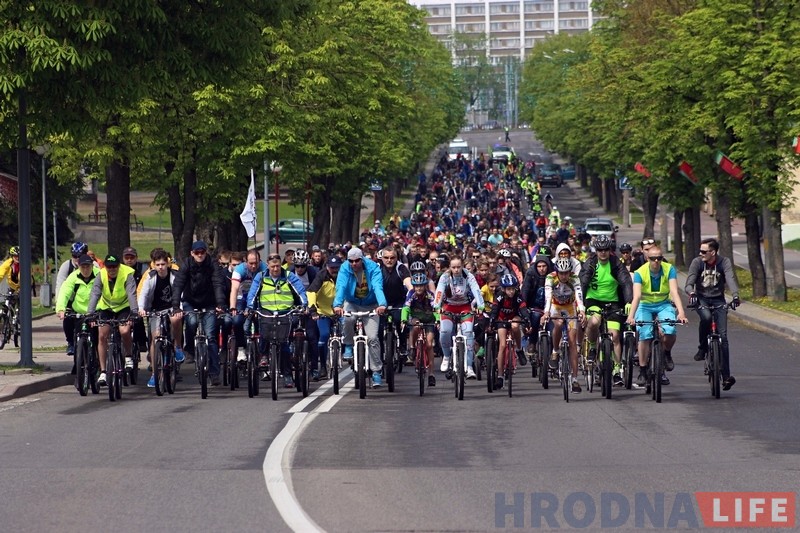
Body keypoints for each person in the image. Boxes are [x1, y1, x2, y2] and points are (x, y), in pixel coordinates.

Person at [626, 245, 688, 388]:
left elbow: (674, 292)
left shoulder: (669, 269)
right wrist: (631, 316)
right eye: (653, 259)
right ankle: (642, 370)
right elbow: (637, 296)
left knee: (670, 330)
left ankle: (666, 353)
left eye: (659, 258)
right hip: (644, 305)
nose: (656, 262)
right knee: (645, 334)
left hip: (663, 304)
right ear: (647, 259)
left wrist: (681, 312)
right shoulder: (640, 272)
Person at [685, 238, 740, 390]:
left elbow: (730, 278)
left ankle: (726, 376)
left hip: (718, 300)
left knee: (723, 336)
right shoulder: (697, 262)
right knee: (707, 318)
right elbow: (689, 282)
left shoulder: (724, 262)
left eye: (703, 251)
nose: (700, 253)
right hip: (701, 299)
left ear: (713, 252)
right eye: (700, 251)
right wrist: (691, 292)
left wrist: (735, 296)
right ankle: (702, 347)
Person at [247, 253, 308, 388]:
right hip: (266, 312)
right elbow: (252, 293)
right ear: (268, 265)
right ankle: (263, 355)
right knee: (263, 333)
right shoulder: (261, 277)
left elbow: (300, 291)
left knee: (284, 343)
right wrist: (250, 307)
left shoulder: (289, 276)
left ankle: (287, 375)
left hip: (285, 312)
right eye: (273, 266)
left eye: (278, 266)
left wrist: (304, 305)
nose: (275, 269)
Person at [579, 235, 633, 387]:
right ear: (596, 251)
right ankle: (592, 347)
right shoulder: (590, 263)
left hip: (612, 302)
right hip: (593, 300)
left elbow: (626, 282)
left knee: (615, 335)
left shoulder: (616, 264)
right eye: (600, 250)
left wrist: (628, 301)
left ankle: (616, 370)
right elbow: (582, 283)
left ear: (610, 250)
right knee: (594, 322)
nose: (603, 253)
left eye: (606, 250)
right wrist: (581, 305)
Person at [171, 241, 227, 387]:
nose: (200, 255)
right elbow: (178, 284)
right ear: (192, 253)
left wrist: (220, 303)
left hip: (209, 302)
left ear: (206, 252)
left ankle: (214, 373)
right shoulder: (186, 265)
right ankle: (189, 349)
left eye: (202, 252)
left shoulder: (213, 265)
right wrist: (176, 306)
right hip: (191, 301)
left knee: (211, 337)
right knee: (191, 323)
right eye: (197, 253)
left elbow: (217, 284)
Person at [332, 248, 387, 388]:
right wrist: (337, 305)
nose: (354, 264)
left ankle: (376, 372)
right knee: (347, 319)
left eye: (357, 261)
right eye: (351, 261)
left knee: (373, 338)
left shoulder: (373, 268)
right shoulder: (344, 268)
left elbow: (377, 286)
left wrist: (382, 304)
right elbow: (341, 286)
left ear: (362, 259)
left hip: (371, 304)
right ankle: (349, 346)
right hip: (352, 302)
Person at [86, 254, 140, 386]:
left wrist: (134, 312)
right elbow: (95, 293)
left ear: (119, 265)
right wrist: (90, 313)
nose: (112, 269)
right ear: (105, 266)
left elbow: (131, 293)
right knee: (102, 335)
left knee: (124, 330)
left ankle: (128, 356)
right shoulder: (101, 275)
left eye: (115, 266)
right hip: (107, 308)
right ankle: (103, 371)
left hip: (124, 307)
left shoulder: (127, 273)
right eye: (109, 267)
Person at [138, 249, 185, 388]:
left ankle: (177, 346)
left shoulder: (174, 275)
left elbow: (179, 293)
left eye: (163, 264)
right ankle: (154, 372)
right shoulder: (150, 277)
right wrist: (141, 309)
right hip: (155, 310)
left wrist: (179, 309)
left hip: (172, 307)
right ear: (154, 265)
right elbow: (144, 295)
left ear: (168, 264)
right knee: (155, 338)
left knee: (176, 320)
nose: (160, 267)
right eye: (157, 264)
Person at [433, 256, 484, 380]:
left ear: (462, 266)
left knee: (468, 333)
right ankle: (446, 356)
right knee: (445, 332)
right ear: (450, 267)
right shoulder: (445, 277)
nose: (456, 270)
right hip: (448, 307)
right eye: (453, 267)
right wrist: (437, 305)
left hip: (465, 307)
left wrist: (481, 305)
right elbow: (439, 291)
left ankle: (469, 367)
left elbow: (476, 290)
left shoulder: (468, 276)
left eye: (458, 267)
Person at [542, 257, 586, 393]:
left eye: (566, 272)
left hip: (570, 307)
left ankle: (574, 379)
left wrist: (582, 312)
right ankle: (555, 351)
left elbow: (579, 297)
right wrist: (546, 312)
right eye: (561, 273)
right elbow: (548, 297)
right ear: (557, 272)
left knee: (572, 341)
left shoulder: (574, 279)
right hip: (555, 306)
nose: (564, 276)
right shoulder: (550, 278)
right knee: (559, 324)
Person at [55, 254, 99, 370]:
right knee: (74, 330)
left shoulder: (99, 275)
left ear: (91, 266)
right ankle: (78, 360)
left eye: (88, 267)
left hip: (96, 311)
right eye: (83, 267)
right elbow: (64, 292)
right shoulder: (73, 277)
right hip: (79, 311)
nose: (85, 269)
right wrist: (60, 308)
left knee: (98, 338)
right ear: (79, 267)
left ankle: (99, 363)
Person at [488, 274, 531, 390]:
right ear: (503, 289)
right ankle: (500, 376)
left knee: (515, 325)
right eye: (508, 289)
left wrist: (527, 320)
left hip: (514, 317)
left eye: (513, 288)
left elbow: (523, 309)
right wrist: (492, 321)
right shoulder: (499, 296)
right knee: (502, 345)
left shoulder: (518, 296)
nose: (511, 292)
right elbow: (495, 310)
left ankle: (518, 349)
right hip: (502, 319)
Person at [307, 256, 343, 381]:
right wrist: (312, 309)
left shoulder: (344, 275)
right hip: (324, 312)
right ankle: (322, 365)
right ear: (327, 267)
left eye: (337, 268)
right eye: (332, 268)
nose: (334, 270)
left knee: (347, 334)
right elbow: (311, 292)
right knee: (324, 335)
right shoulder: (321, 276)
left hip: (341, 311)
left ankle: (355, 360)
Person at [229, 250, 267, 363]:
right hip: (243, 298)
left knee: (264, 323)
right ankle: (241, 348)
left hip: (259, 298)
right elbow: (234, 289)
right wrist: (233, 307)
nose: (254, 266)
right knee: (236, 321)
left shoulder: (265, 268)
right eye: (251, 263)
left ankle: (264, 354)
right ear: (246, 262)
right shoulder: (239, 269)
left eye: (256, 263)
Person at [401, 272, 438, 387]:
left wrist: (438, 320)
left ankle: (431, 374)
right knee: (415, 325)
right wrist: (403, 320)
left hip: (429, 319)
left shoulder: (430, 295)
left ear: (425, 285)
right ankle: (412, 348)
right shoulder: (411, 294)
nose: (419, 288)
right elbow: (406, 308)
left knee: (429, 345)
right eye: (416, 286)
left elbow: (436, 308)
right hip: (416, 317)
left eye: (421, 285)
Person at [122, 247, 150, 355]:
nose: (129, 260)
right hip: (124, 300)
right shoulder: (120, 269)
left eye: (132, 257)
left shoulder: (143, 269)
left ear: (136, 258)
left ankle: (142, 342)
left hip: (140, 298)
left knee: (138, 320)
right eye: (127, 257)